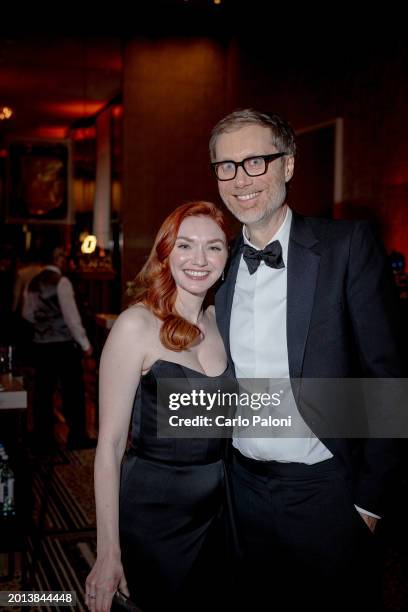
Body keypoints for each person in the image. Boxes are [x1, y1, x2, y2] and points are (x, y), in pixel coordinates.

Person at [210, 109, 404, 610]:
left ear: (288, 165)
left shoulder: (346, 247)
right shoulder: (218, 263)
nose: (240, 180)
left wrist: (368, 503)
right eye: (226, 166)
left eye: (256, 161)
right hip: (242, 490)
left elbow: (387, 378)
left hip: (328, 495)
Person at [86, 201, 231, 612]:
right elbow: (109, 448)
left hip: (219, 514)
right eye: (185, 245)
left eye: (214, 247)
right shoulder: (137, 325)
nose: (199, 260)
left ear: (226, 256)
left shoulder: (226, 321)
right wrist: (107, 551)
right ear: (165, 252)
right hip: (153, 514)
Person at [23, 246, 93, 451]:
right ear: (57, 259)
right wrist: (86, 345)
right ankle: (77, 436)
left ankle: (43, 438)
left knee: (43, 392)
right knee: (73, 391)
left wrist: (43, 325)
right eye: (63, 256)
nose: (66, 260)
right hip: (63, 345)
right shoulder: (61, 282)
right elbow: (72, 319)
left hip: (41, 344)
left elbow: (27, 314)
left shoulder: (33, 282)